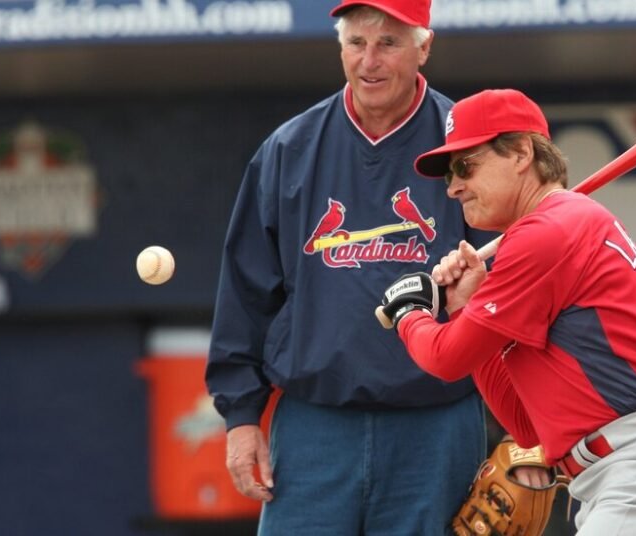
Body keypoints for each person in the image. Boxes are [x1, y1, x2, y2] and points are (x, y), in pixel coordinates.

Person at [206, 1, 495, 534]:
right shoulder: (289, 150)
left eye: (388, 42)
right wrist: (242, 416)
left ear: (424, 47)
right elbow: (247, 292)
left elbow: (520, 289)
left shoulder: (470, 147)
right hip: (317, 424)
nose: (370, 61)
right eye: (356, 43)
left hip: (436, 424)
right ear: (339, 48)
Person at [380, 88, 636, 535]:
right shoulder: (558, 227)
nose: (454, 186)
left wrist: (410, 312)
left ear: (522, 152)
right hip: (632, 469)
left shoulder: (549, 231)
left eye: (466, 166)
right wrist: (464, 307)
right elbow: (526, 427)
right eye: (449, 174)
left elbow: (445, 358)